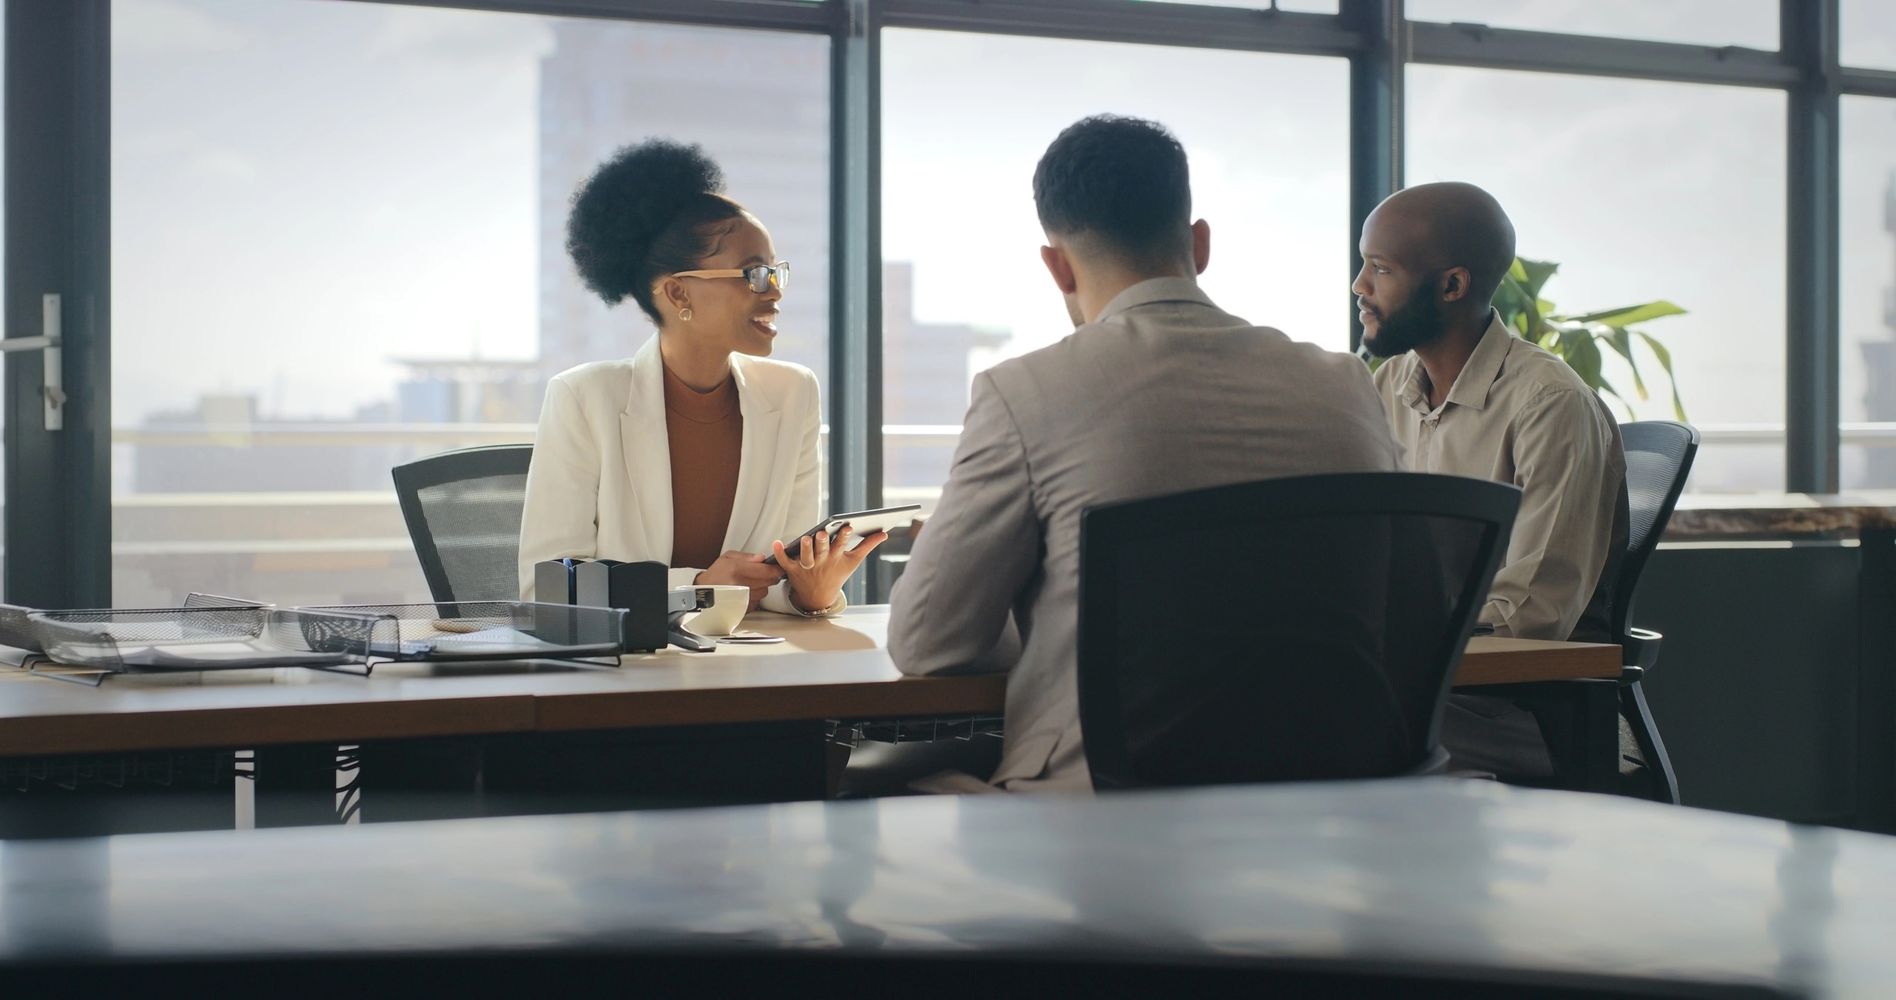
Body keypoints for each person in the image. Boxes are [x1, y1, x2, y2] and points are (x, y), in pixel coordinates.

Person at [885, 115, 1402, 793]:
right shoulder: (1346, 384)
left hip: (1106, 820)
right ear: (1199, 243)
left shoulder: (1025, 390)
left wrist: (1044, 623)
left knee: (867, 780)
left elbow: (928, 644)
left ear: (1057, 266)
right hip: (1330, 806)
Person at [518, 139, 882, 615]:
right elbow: (546, 585)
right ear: (677, 293)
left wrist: (814, 593)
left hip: (750, 668)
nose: (773, 292)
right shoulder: (585, 398)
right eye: (753, 274)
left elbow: (782, 580)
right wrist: (699, 585)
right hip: (625, 672)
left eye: (776, 272)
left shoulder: (793, 394)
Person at [1355, 181, 1629, 777]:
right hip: (1425, 691)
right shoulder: (1386, 387)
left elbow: (1533, 611)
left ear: (1453, 285)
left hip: (1524, 709)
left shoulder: (1550, 404)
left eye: (1380, 269)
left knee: (1321, 728)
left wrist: (1394, 628)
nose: (1360, 287)